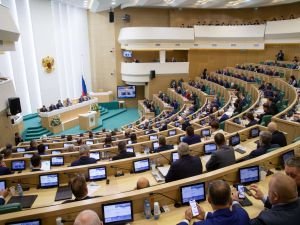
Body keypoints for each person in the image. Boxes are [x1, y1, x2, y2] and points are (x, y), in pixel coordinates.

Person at [177, 180, 250, 225]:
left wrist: (186, 220)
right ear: (230, 199)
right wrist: (205, 215)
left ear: (209, 200)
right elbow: (225, 216)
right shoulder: (243, 214)